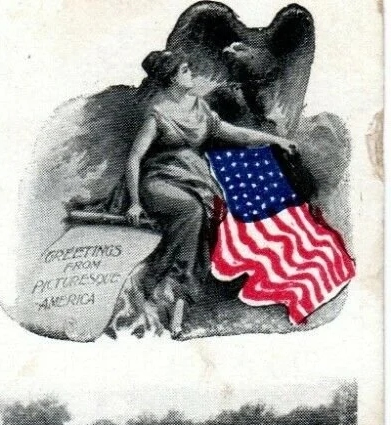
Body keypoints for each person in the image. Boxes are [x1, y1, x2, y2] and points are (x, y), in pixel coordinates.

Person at [102, 50, 299, 338]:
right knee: (192, 211)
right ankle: (160, 285)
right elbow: (134, 159)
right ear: (171, 79)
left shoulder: (199, 108)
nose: (191, 75)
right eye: (185, 71)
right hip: (159, 182)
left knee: (206, 216)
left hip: (195, 180)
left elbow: (234, 133)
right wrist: (134, 202)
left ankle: (167, 293)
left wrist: (275, 139)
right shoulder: (157, 113)